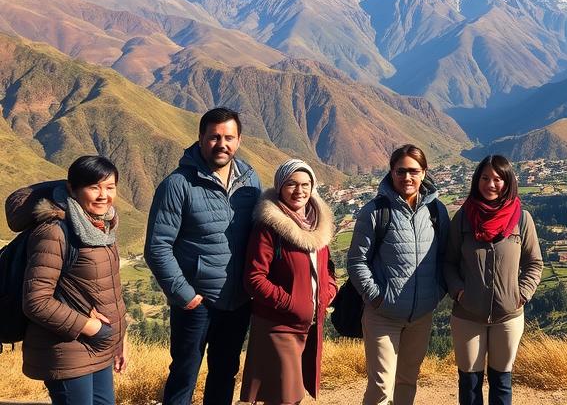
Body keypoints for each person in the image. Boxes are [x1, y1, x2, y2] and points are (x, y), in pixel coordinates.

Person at [145, 107, 262, 405]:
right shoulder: (178, 185)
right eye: (214, 137)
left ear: (239, 140)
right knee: (184, 374)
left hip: (237, 301)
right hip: (196, 302)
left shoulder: (251, 181)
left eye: (229, 137)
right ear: (200, 138)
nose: (221, 144)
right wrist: (184, 294)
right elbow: (157, 246)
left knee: (224, 373)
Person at [7, 155, 128, 405]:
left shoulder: (101, 227)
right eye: (94, 187)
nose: (103, 195)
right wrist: (92, 328)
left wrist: (118, 337)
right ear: (72, 189)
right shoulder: (54, 231)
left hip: (98, 345)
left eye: (110, 187)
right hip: (66, 348)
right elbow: (36, 301)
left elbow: (107, 290)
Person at [347, 144, 449, 405]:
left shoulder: (437, 212)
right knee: (381, 386)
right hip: (383, 315)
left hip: (421, 316)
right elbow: (357, 262)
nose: (407, 177)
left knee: (407, 381)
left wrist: (435, 295)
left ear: (424, 173)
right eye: (400, 171)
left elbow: (445, 258)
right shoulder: (375, 212)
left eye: (413, 171)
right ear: (391, 173)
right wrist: (379, 298)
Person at [444, 155, 543, 405]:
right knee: (470, 383)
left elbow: (534, 263)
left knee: (501, 381)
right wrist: (459, 292)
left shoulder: (522, 219)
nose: (491, 184)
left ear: (508, 182)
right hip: (467, 316)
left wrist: (521, 294)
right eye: (485, 178)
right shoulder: (463, 218)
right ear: (477, 180)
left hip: (508, 317)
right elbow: (448, 263)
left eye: (498, 178)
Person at [240, 159, 337, 405]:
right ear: (279, 187)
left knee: (292, 395)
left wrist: (328, 293)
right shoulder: (269, 226)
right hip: (278, 325)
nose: (299, 191)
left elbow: (327, 268)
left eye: (305, 184)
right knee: (284, 396)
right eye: (291, 184)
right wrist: (291, 303)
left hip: (310, 324)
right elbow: (254, 278)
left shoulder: (318, 224)